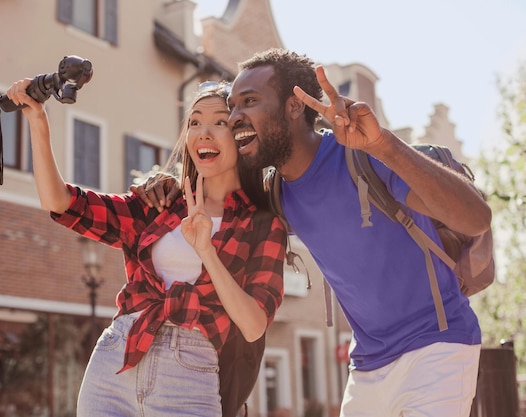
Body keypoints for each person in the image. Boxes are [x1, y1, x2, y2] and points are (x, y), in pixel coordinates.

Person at [136, 48, 492, 417]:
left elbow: (476, 218)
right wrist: (171, 184)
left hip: (438, 346)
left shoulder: (365, 158)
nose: (236, 116)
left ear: (293, 106)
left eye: (250, 102)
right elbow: (217, 194)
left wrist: (382, 144)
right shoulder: (275, 193)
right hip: (368, 365)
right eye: (233, 105)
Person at [6, 79, 287, 417]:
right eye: (194, 122)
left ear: (241, 135)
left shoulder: (261, 225)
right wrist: (38, 120)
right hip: (118, 355)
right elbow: (62, 202)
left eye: (220, 122)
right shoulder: (160, 205)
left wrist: (206, 251)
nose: (204, 132)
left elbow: (254, 324)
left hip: (191, 368)